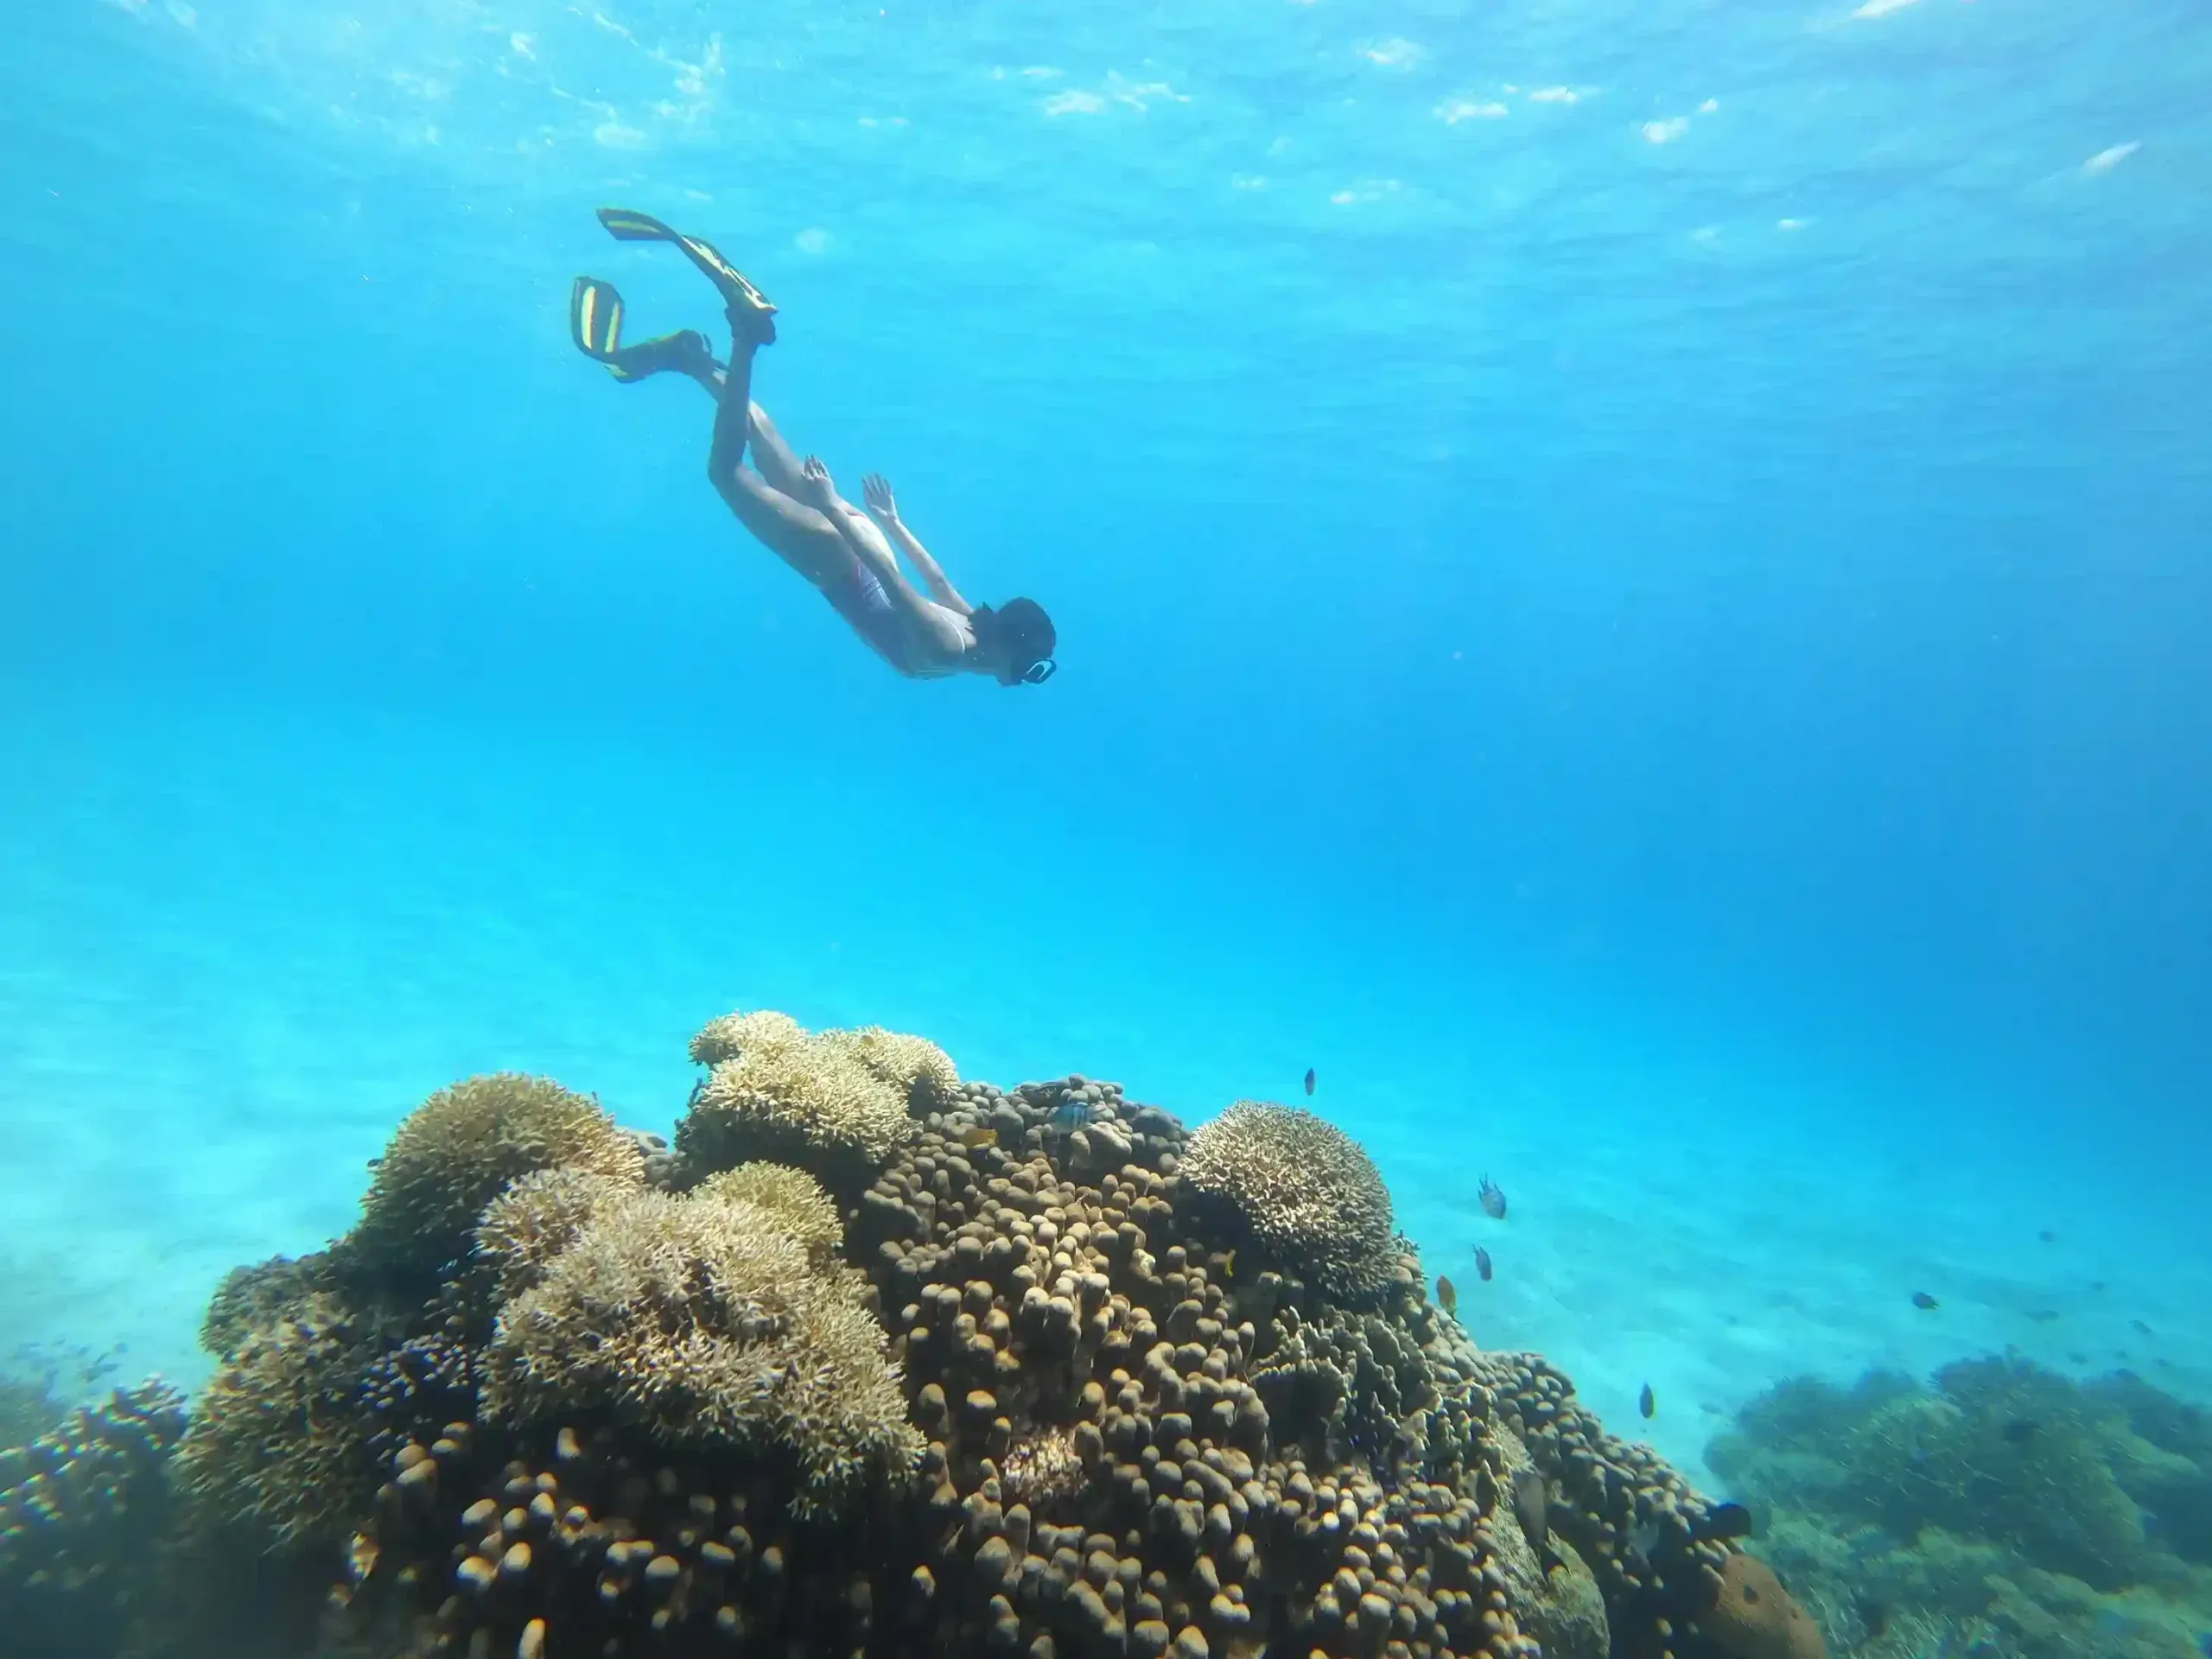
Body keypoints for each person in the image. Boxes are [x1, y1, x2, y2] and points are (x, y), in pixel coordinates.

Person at [569, 208, 1057, 686]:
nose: (1025, 677)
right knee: (727, 473)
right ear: (1009, 646)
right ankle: (745, 335)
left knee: (765, 444)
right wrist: (831, 509)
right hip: (839, 561)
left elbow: (935, 579)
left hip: (862, 538)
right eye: (1031, 667)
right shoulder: (952, 649)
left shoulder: (971, 622)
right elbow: (891, 579)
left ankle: (693, 360)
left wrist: (890, 521)